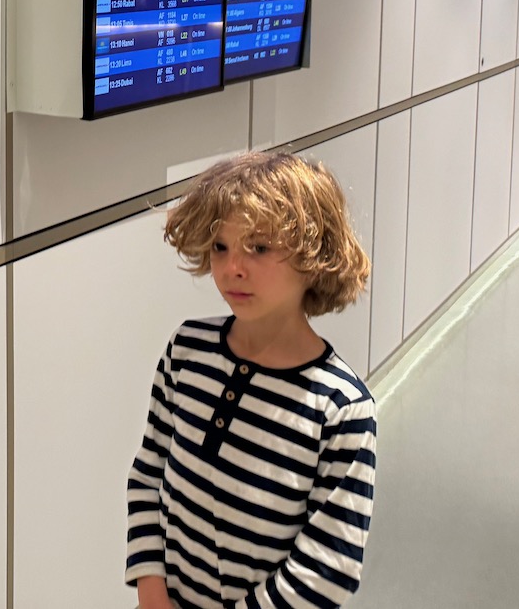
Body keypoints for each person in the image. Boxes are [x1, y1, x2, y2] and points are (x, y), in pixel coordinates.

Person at [126, 151, 375, 609]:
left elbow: (327, 568)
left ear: (314, 254)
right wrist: (152, 593)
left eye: (258, 248)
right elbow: (147, 475)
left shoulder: (341, 408)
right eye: (221, 247)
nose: (232, 268)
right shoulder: (187, 351)